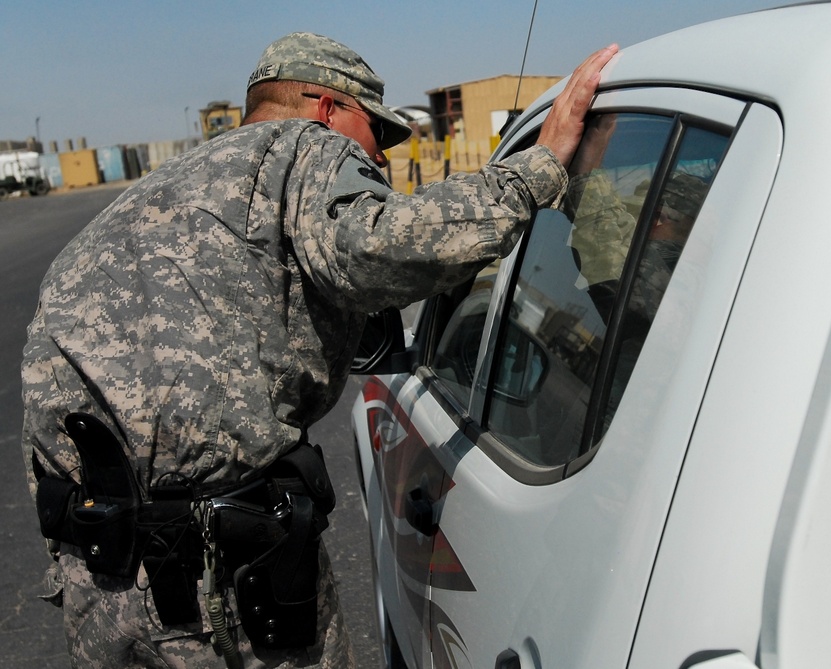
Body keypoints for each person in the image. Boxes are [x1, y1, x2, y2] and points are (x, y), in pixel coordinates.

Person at [21, 31, 617, 669]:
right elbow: (378, 247)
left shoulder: (155, 195)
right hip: (221, 591)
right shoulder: (301, 148)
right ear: (327, 108)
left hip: (98, 585)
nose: (380, 161)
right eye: (375, 135)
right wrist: (537, 170)